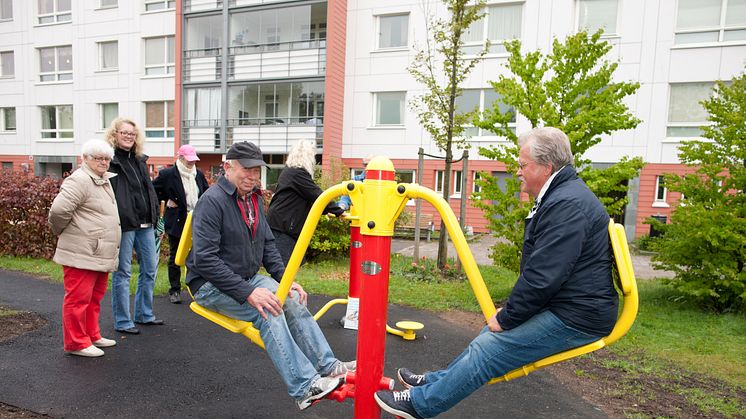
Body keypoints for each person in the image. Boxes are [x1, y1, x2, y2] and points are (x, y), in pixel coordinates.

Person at [374, 127, 619, 419]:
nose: (518, 172)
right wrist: (510, 316)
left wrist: (509, 316)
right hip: (572, 303)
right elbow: (548, 272)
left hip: (578, 316)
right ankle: (435, 384)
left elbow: (544, 276)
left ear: (546, 167)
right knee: (487, 336)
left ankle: (420, 404)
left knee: (490, 347)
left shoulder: (567, 204)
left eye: (523, 165)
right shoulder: (563, 196)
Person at [185, 141, 355, 410]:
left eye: (257, 171)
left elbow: (267, 245)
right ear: (228, 167)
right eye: (247, 170)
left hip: (245, 279)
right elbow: (205, 260)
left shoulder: (252, 199)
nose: (253, 177)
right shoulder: (213, 201)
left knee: (291, 301)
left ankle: (330, 366)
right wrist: (248, 292)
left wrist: (285, 280)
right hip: (209, 285)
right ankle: (305, 386)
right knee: (269, 310)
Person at [48, 139, 121, 357]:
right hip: (82, 251)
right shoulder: (79, 180)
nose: (103, 162)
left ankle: (91, 335)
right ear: (85, 159)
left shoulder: (102, 179)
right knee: (78, 299)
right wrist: (63, 233)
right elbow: (58, 212)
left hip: (98, 252)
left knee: (94, 297)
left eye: (107, 158)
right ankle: (76, 343)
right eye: (98, 158)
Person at [106, 118, 163, 335]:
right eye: (124, 133)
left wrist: (156, 215)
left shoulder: (139, 160)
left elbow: (147, 190)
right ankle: (122, 321)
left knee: (150, 269)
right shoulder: (110, 161)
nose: (129, 136)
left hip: (146, 224)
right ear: (115, 134)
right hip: (125, 224)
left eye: (132, 133)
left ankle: (144, 314)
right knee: (123, 273)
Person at [267, 140, 344, 266]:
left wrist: (328, 211)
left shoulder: (291, 172)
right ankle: (283, 286)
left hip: (281, 224)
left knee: (289, 266)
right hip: (282, 226)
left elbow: (308, 197)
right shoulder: (297, 173)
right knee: (285, 268)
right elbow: (317, 195)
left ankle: (286, 286)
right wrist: (339, 211)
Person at [153, 144, 210, 304]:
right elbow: (153, 191)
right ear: (180, 158)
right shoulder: (168, 174)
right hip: (177, 221)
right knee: (176, 256)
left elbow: (206, 193)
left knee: (199, 256)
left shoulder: (197, 174)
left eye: (193, 160)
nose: (191, 163)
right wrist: (165, 200)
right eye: (188, 160)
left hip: (197, 220)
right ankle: (175, 289)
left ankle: (198, 289)